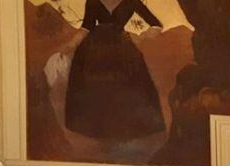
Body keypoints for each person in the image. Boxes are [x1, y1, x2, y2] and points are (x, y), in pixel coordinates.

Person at [65, 0, 166, 140]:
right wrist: (72, 43)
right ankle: (99, 131)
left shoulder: (132, 1)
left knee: (125, 88)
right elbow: (86, 27)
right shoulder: (93, 1)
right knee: (96, 88)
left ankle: (124, 131)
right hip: (95, 50)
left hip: (122, 49)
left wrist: (140, 37)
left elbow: (156, 25)